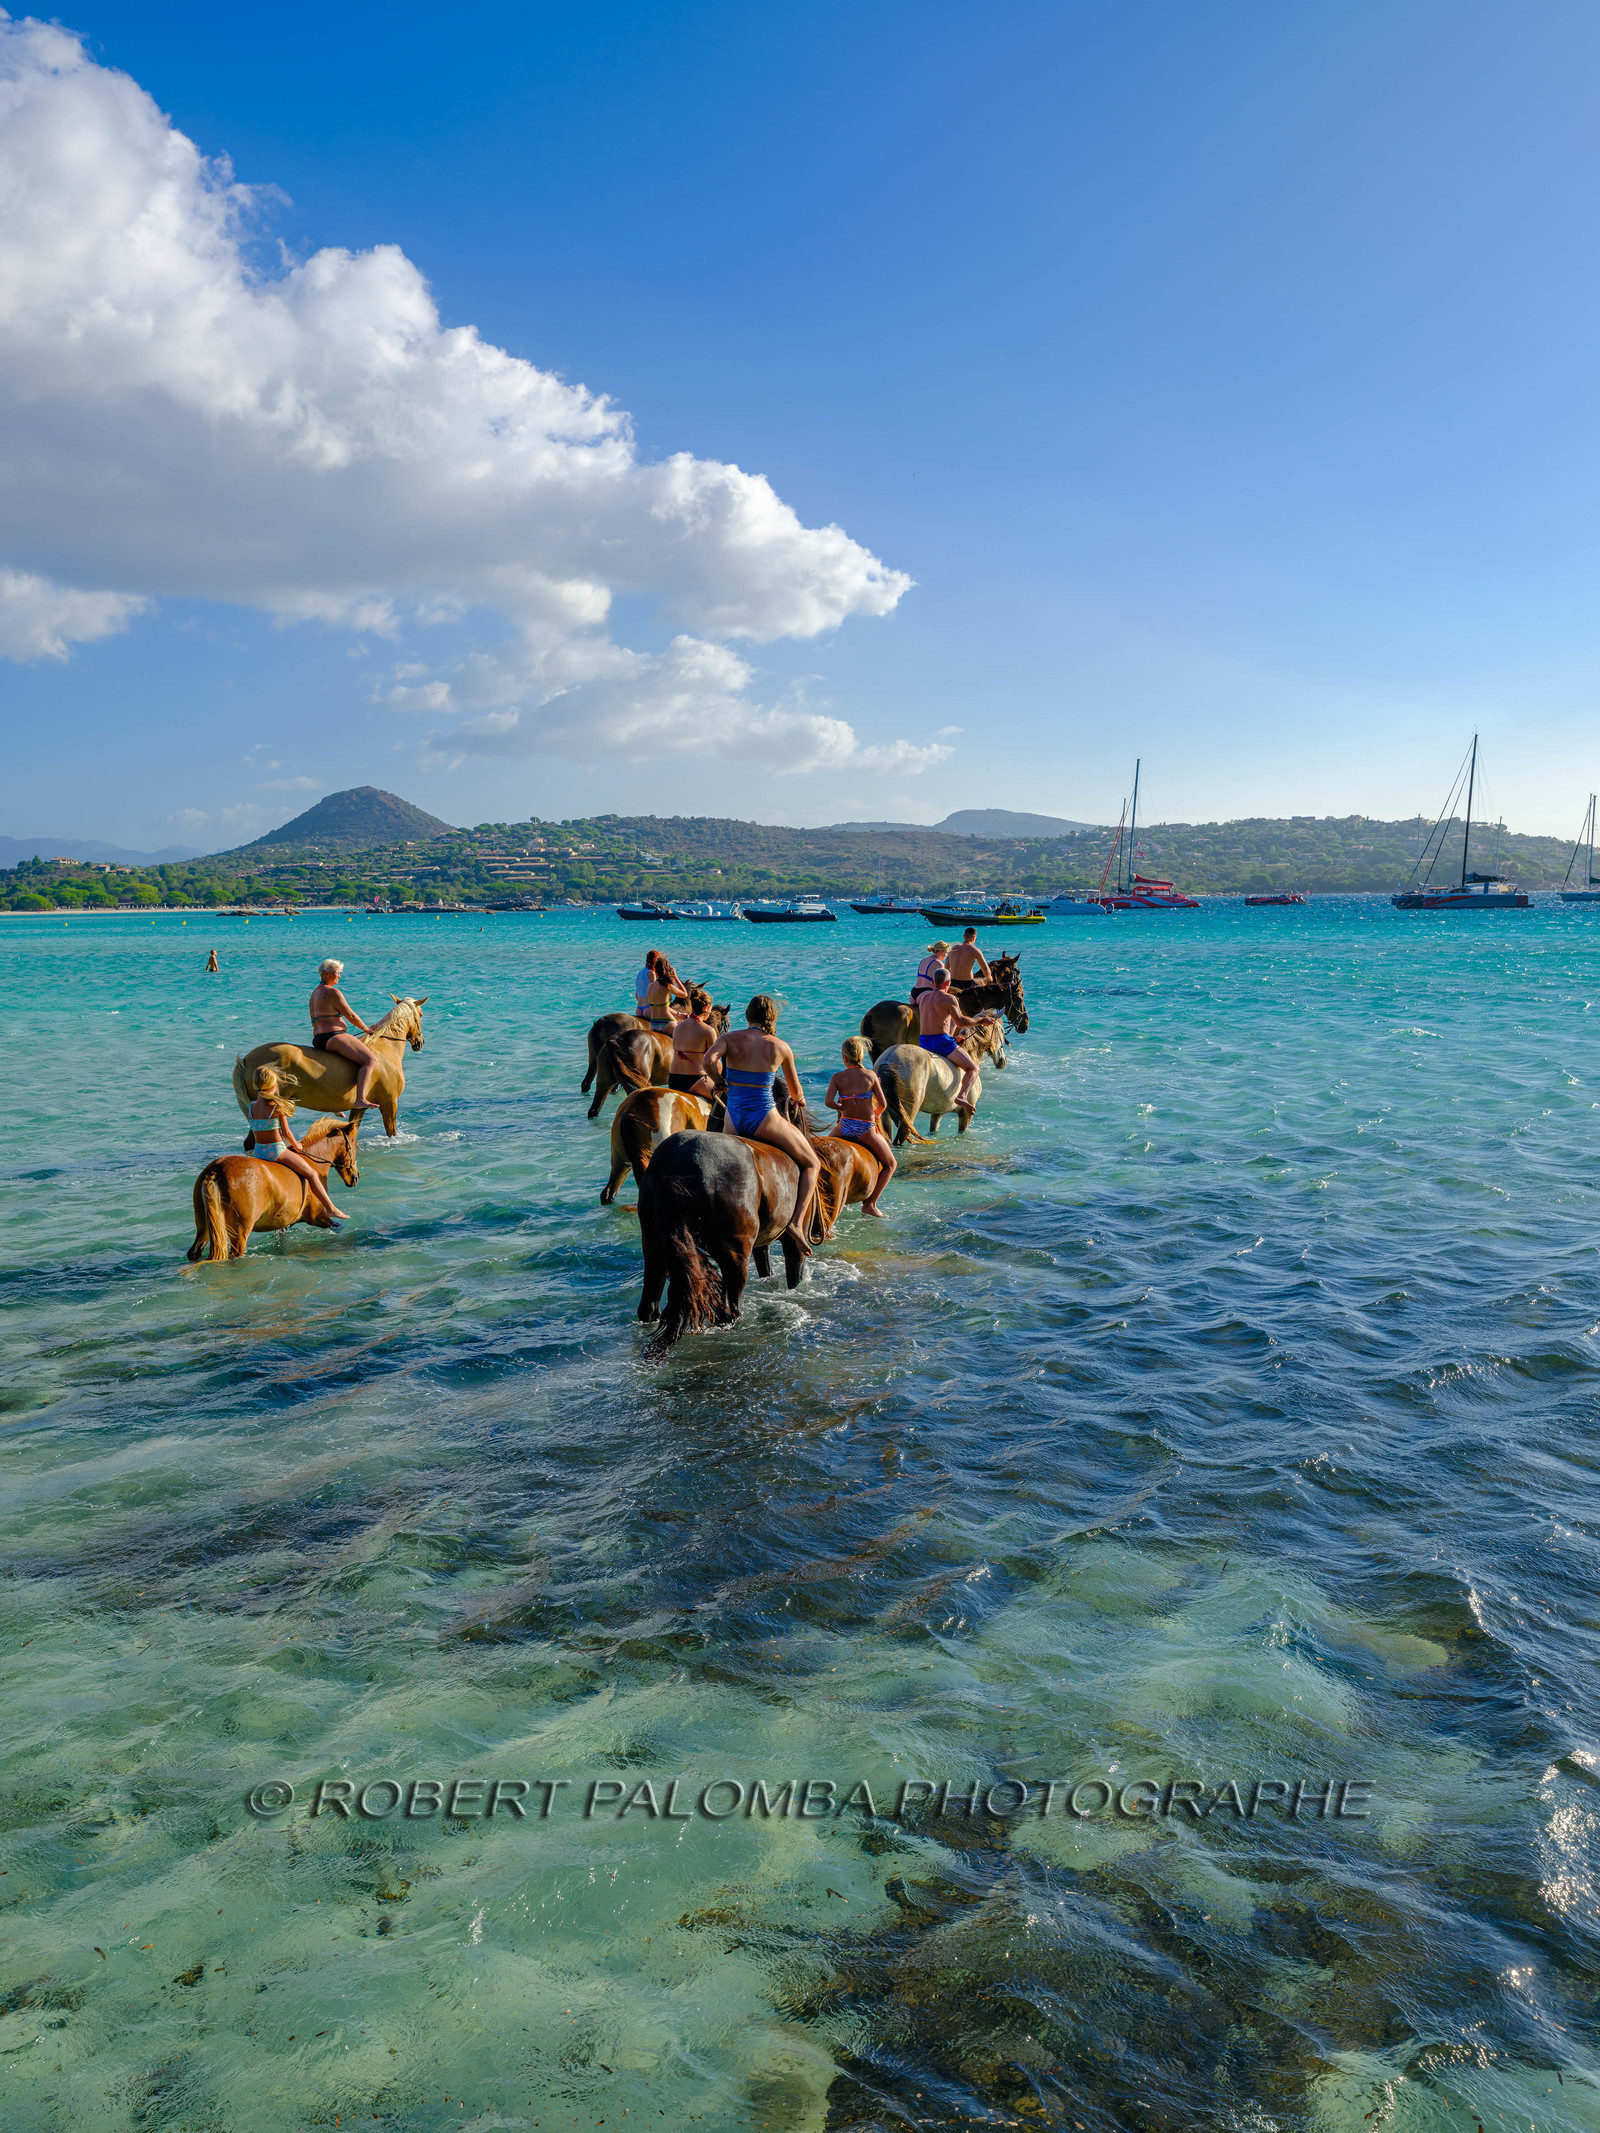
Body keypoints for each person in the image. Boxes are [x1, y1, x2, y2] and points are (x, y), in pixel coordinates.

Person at [705, 994, 820, 1256]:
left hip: (733, 1119)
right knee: (813, 1163)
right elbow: (794, 1089)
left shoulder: (728, 1038)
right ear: (772, 1017)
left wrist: (720, 1082)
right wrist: (799, 1099)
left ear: (747, 1016)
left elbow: (706, 1062)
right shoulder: (780, 1046)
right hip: (764, 1119)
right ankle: (796, 1224)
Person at [246, 1066, 348, 1223]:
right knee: (312, 1174)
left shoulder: (251, 1107)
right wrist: (297, 1145)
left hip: (259, 1153)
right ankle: (331, 1208)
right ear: (273, 1086)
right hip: (277, 1152)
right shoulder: (276, 1106)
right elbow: (286, 1133)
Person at [824, 1036, 896, 1217]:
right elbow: (883, 1104)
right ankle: (870, 1203)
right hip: (866, 1130)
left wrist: (839, 1106)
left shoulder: (837, 1077)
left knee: (821, 1154)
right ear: (862, 1056)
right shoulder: (870, 1076)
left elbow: (828, 1102)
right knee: (890, 1164)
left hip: (844, 1127)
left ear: (844, 1058)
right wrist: (876, 1114)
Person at [917, 963, 995, 1115]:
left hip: (923, 1041)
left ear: (933, 982)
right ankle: (962, 1096)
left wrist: (953, 1038)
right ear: (948, 983)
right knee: (973, 1069)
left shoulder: (923, 998)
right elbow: (960, 1022)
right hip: (940, 1043)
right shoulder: (949, 999)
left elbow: (934, 1021)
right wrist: (981, 1020)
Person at [308, 958, 380, 1113]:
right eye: (337, 973)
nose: (340, 976)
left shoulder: (314, 994)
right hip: (334, 1036)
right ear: (326, 974)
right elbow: (351, 1015)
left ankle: (337, 1101)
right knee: (370, 1060)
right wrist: (366, 1029)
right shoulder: (332, 992)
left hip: (318, 1039)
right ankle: (360, 1099)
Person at [669, 985, 720, 1095]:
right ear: (706, 1008)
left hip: (673, 1079)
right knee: (727, 1100)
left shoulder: (678, 1027)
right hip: (695, 1080)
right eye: (710, 1009)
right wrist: (720, 1082)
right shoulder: (708, 1030)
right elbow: (713, 1062)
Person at [645, 956, 688, 1034]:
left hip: (653, 1024)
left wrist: (679, 1014)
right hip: (667, 1023)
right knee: (685, 1036)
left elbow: (662, 1007)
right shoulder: (667, 986)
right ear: (667, 970)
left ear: (656, 971)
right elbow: (685, 994)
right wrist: (676, 977)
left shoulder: (650, 987)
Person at [911, 940, 952, 1006]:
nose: (946, 955)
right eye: (946, 952)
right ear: (941, 951)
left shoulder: (924, 959)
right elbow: (943, 984)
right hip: (926, 993)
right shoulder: (939, 963)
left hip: (913, 993)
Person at [634, 948, 661, 1017]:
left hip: (639, 1009)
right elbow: (655, 993)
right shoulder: (651, 973)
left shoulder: (639, 973)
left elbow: (637, 996)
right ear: (655, 960)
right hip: (648, 1007)